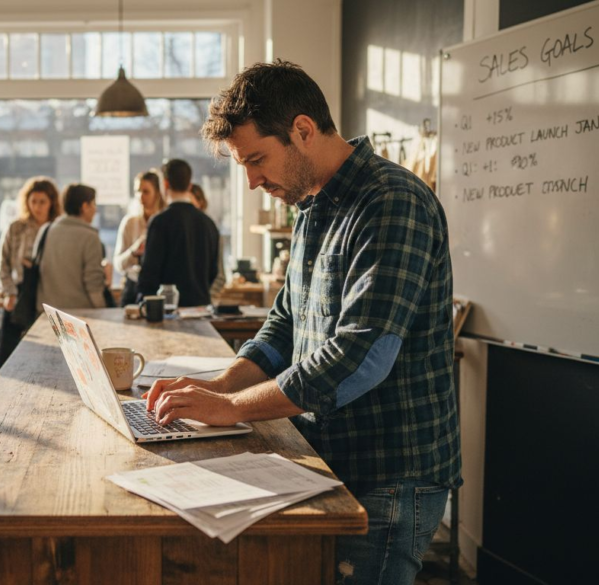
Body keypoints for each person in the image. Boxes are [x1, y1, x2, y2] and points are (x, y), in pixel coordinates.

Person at [145, 60, 461, 585]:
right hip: (329, 456)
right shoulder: (313, 207)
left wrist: (228, 407)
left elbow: (359, 357)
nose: (250, 181)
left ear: (303, 130)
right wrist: (219, 386)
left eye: (256, 160)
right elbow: (286, 323)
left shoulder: (392, 201)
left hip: (390, 471)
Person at [0, 177, 61, 371]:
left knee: (46, 356)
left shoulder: (57, 229)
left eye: (42, 202)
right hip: (19, 293)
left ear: (51, 203)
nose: (37, 207)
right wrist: (10, 292)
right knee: (8, 353)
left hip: (48, 295)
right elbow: (3, 264)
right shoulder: (16, 227)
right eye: (33, 201)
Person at [137, 160, 220, 307]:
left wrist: (144, 301)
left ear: (165, 184)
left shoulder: (160, 222)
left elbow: (150, 272)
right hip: (201, 307)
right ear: (189, 185)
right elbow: (213, 271)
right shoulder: (209, 223)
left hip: (168, 309)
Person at [37, 183, 107, 310]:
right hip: (78, 315)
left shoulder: (46, 230)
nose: (95, 210)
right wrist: (103, 310)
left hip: (47, 314)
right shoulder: (90, 237)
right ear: (85, 206)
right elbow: (93, 285)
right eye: (93, 204)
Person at [113, 171, 166, 306]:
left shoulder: (166, 221)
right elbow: (118, 264)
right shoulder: (130, 222)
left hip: (160, 287)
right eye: (137, 191)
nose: (140, 196)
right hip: (132, 287)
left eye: (146, 191)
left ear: (158, 193)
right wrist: (134, 251)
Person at [189, 183, 227, 304]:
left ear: (200, 202)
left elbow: (220, 277)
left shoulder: (211, 230)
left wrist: (208, 299)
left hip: (205, 305)